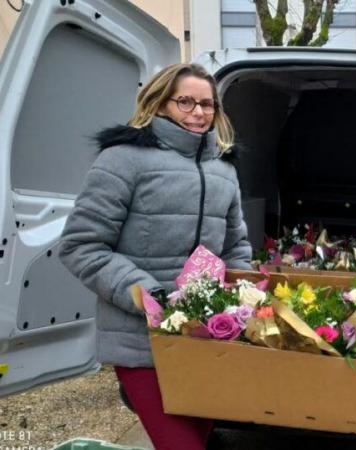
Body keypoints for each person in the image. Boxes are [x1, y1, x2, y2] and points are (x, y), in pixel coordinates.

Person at [59, 63, 252, 449]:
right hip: (140, 341)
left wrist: (241, 297)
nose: (199, 113)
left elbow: (235, 247)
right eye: (186, 102)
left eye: (207, 104)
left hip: (205, 341)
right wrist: (148, 297)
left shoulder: (223, 170)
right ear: (161, 104)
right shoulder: (123, 159)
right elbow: (80, 245)